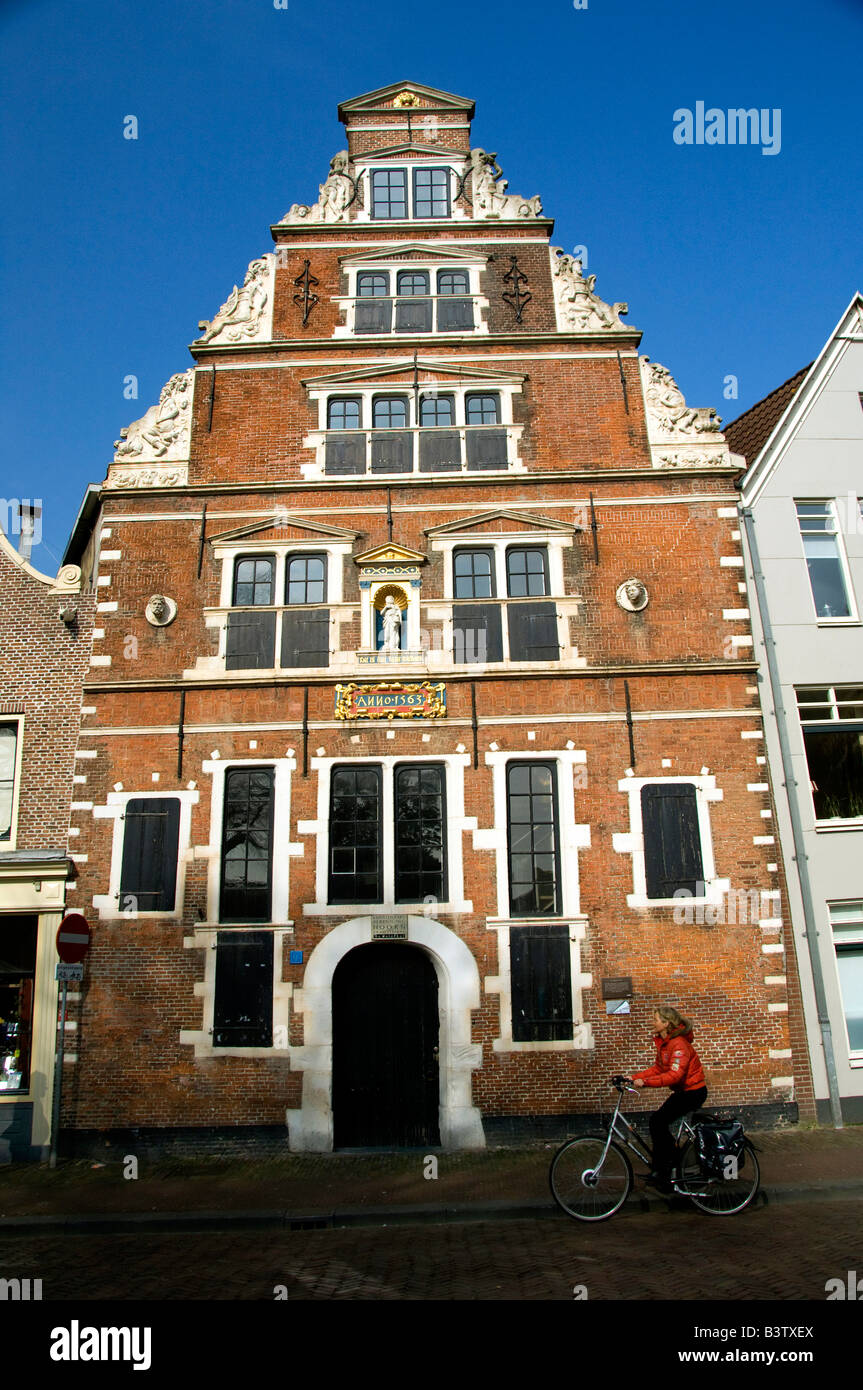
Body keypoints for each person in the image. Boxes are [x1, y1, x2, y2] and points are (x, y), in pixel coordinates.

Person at [631, 1005, 707, 1193]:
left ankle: (671, 1164)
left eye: (655, 1019)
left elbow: (674, 1076)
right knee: (657, 1122)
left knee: (658, 1122)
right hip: (684, 1091)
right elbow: (658, 1069)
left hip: (693, 1091)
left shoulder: (679, 1044)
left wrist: (645, 1083)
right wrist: (632, 1077)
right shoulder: (665, 1043)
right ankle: (664, 1169)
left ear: (666, 1023)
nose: (652, 1022)